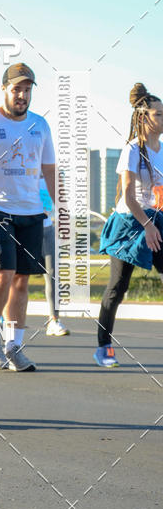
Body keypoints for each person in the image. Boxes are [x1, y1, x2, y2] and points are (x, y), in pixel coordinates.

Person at [0, 63, 56, 372]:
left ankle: (14, 345)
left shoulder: (40, 125)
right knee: (2, 274)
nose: (22, 95)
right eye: (16, 89)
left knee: (21, 282)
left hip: (31, 211)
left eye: (27, 90)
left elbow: (49, 170)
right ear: (4, 89)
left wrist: (61, 208)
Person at [95, 83, 163, 367]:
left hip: (155, 218)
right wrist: (147, 225)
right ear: (144, 118)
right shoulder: (132, 150)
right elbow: (128, 197)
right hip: (130, 222)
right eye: (158, 114)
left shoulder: (161, 149)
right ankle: (104, 347)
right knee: (117, 287)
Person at [39, 176, 69, 337]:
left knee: (52, 274)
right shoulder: (25, 171)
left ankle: (54, 320)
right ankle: (5, 318)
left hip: (47, 228)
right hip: (25, 229)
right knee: (15, 275)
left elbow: (60, 201)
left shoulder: (52, 174)